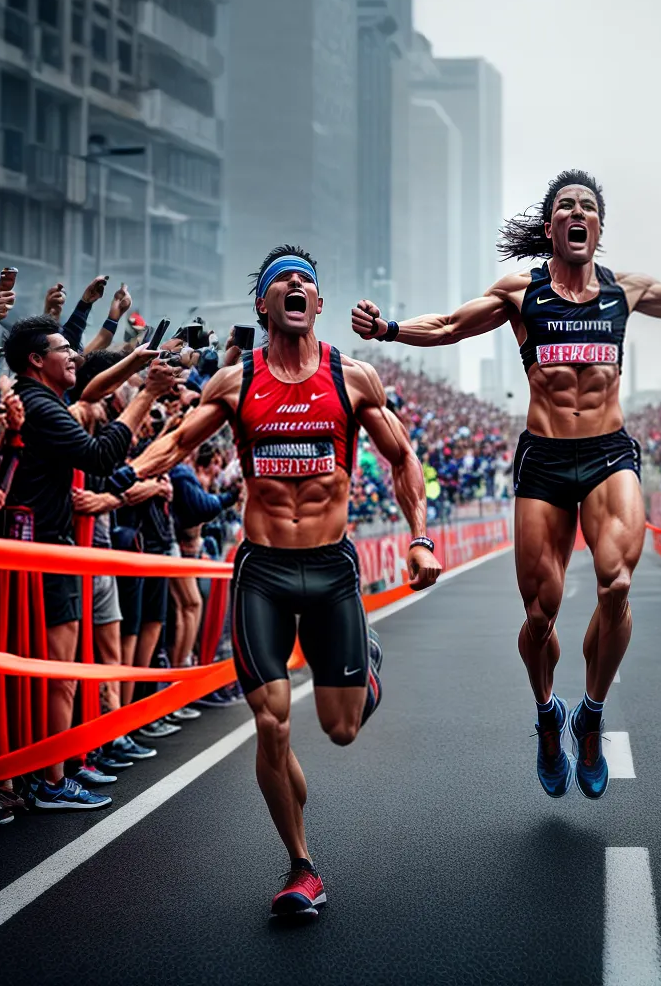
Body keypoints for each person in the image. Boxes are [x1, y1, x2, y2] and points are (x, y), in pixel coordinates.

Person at [351, 170, 661, 799]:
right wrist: (388, 330)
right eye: (565, 206)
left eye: (587, 207)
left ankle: (590, 714)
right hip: (543, 460)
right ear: (551, 228)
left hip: (607, 452)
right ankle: (548, 716)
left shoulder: (626, 289)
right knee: (540, 615)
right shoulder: (522, 292)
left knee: (617, 582)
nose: (576, 213)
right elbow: (453, 325)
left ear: (597, 227)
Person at [125, 245, 441, 919]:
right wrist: (124, 473)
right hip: (263, 570)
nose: (294, 285)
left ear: (318, 304)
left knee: (341, 729)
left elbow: (402, 456)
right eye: (279, 281)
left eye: (305, 281)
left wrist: (418, 538)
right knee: (271, 722)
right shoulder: (235, 385)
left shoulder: (352, 378)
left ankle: (364, 667)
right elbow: (177, 444)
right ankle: (302, 866)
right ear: (264, 305)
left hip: (330, 568)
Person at [4, 313, 176, 811]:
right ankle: (53, 780)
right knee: (61, 672)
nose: (75, 356)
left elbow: (91, 393)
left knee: (57, 669)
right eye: (65, 349)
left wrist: (134, 364)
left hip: (43, 548)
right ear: (38, 360)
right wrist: (147, 395)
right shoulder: (39, 405)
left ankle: (51, 769)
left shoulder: (43, 399)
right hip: (44, 549)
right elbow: (99, 456)